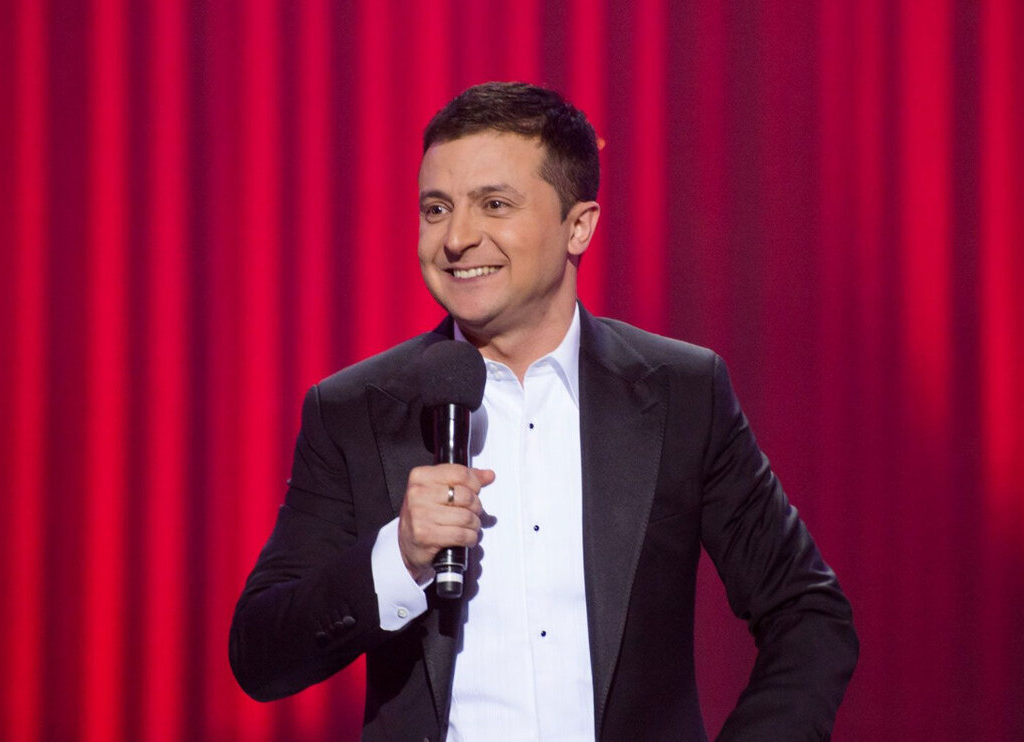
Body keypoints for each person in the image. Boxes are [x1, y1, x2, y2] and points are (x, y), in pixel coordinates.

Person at [230, 81, 858, 742]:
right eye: (437, 208)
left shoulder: (680, 393)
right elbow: (260, 654)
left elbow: (808, 614)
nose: (456, 238)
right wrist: (398, 557)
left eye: (494, 204)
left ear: (577, 226)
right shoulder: (354, 411)